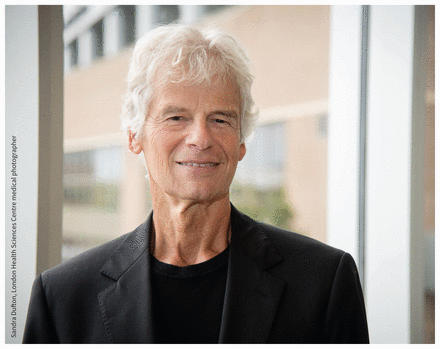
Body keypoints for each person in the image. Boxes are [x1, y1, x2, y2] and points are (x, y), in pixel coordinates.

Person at [23, 24, 369, 344]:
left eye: (220, 119)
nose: (200, 138)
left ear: (241, 141)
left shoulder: (323, 281)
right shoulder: (63, 297)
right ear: (134, 136)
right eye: (176, 117)